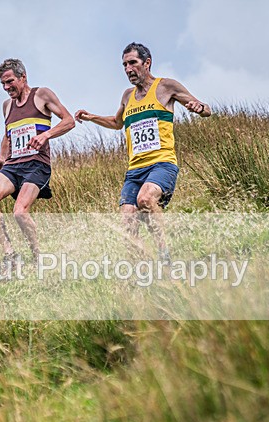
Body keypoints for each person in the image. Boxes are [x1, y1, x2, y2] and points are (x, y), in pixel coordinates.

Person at [75, 42, 211, 261]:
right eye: (124, 65)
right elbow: (117, 122)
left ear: (147, 63)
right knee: (127, 218)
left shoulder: (166, 87)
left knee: (145, 199)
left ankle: (164, 254)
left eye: (133, 63)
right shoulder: (127, 96)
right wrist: (92, 117)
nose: (128, 69)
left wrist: (200, 108)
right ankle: (139, 267)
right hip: (135, 169)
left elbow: (205, 109)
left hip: (162, 163)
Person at [0, 58, 74, 278]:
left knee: (20, 213)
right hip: (13, 166)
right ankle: (10, 256)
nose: (6, 88)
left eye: (10, 81)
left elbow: (69, 120)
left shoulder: (42, 95)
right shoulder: (7, 106)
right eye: (3, 84)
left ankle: (38, 259)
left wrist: (45, 135)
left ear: (23, 77)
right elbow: (8, 135)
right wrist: (2, 158)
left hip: (36, 165)